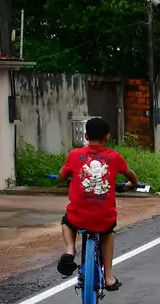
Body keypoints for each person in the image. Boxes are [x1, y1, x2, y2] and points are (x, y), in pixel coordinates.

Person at [56, 117, 140, 291]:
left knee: (67, 221)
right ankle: (108, 277)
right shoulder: (114, 157)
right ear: (107, 137)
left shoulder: (74, 155)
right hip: (104, 217)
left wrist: (67, 175)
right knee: (107, 233)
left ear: (86, 136)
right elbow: (130, 175)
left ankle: (70, 250)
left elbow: (61, 176)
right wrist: (133, 183)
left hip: (78, 215)